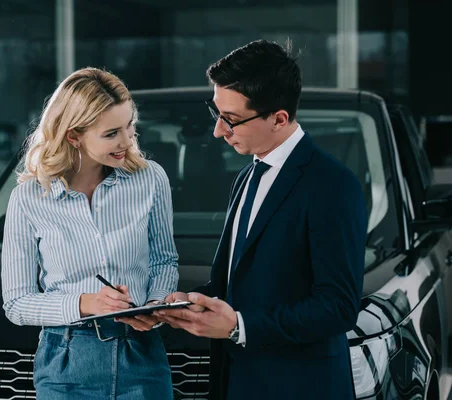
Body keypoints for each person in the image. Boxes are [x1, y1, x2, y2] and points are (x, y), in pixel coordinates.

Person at [155, 39, 368, 399]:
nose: (218, 131)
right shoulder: (249, 174)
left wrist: (238, 326)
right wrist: (188, 302)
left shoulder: (332, 185)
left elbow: (338, 307)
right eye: (217, 113)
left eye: (232, 120)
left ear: (279, 118)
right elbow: (239, 285)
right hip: (237, 383)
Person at [1, 67, 178, 400]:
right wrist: (87, 303)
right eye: (111, 133)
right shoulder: (28, 199)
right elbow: (17, 304)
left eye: (129, 126)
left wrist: (154, 305)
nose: (126, 141)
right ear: (73, 136)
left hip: (141, 355)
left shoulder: (151, 179)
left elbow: (164, 261)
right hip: (66, 361)